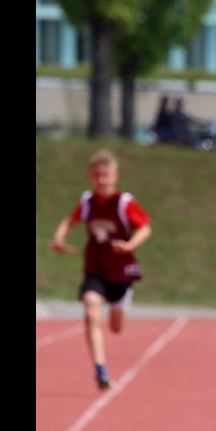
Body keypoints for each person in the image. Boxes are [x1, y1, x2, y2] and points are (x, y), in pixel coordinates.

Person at [50, 149, 153, 390]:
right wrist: (59, 238)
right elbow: (69, 221)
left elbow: (145, 228)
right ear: (90, 177)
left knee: (116, 328)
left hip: (120, 270)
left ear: (114, 177)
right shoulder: (87, 202)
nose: (101, 180)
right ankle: (100, 369)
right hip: (95, 268)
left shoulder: (124, 202)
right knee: (90, 306)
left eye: (106, 175)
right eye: (97, 175)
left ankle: (121, 302)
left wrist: (129, 245)